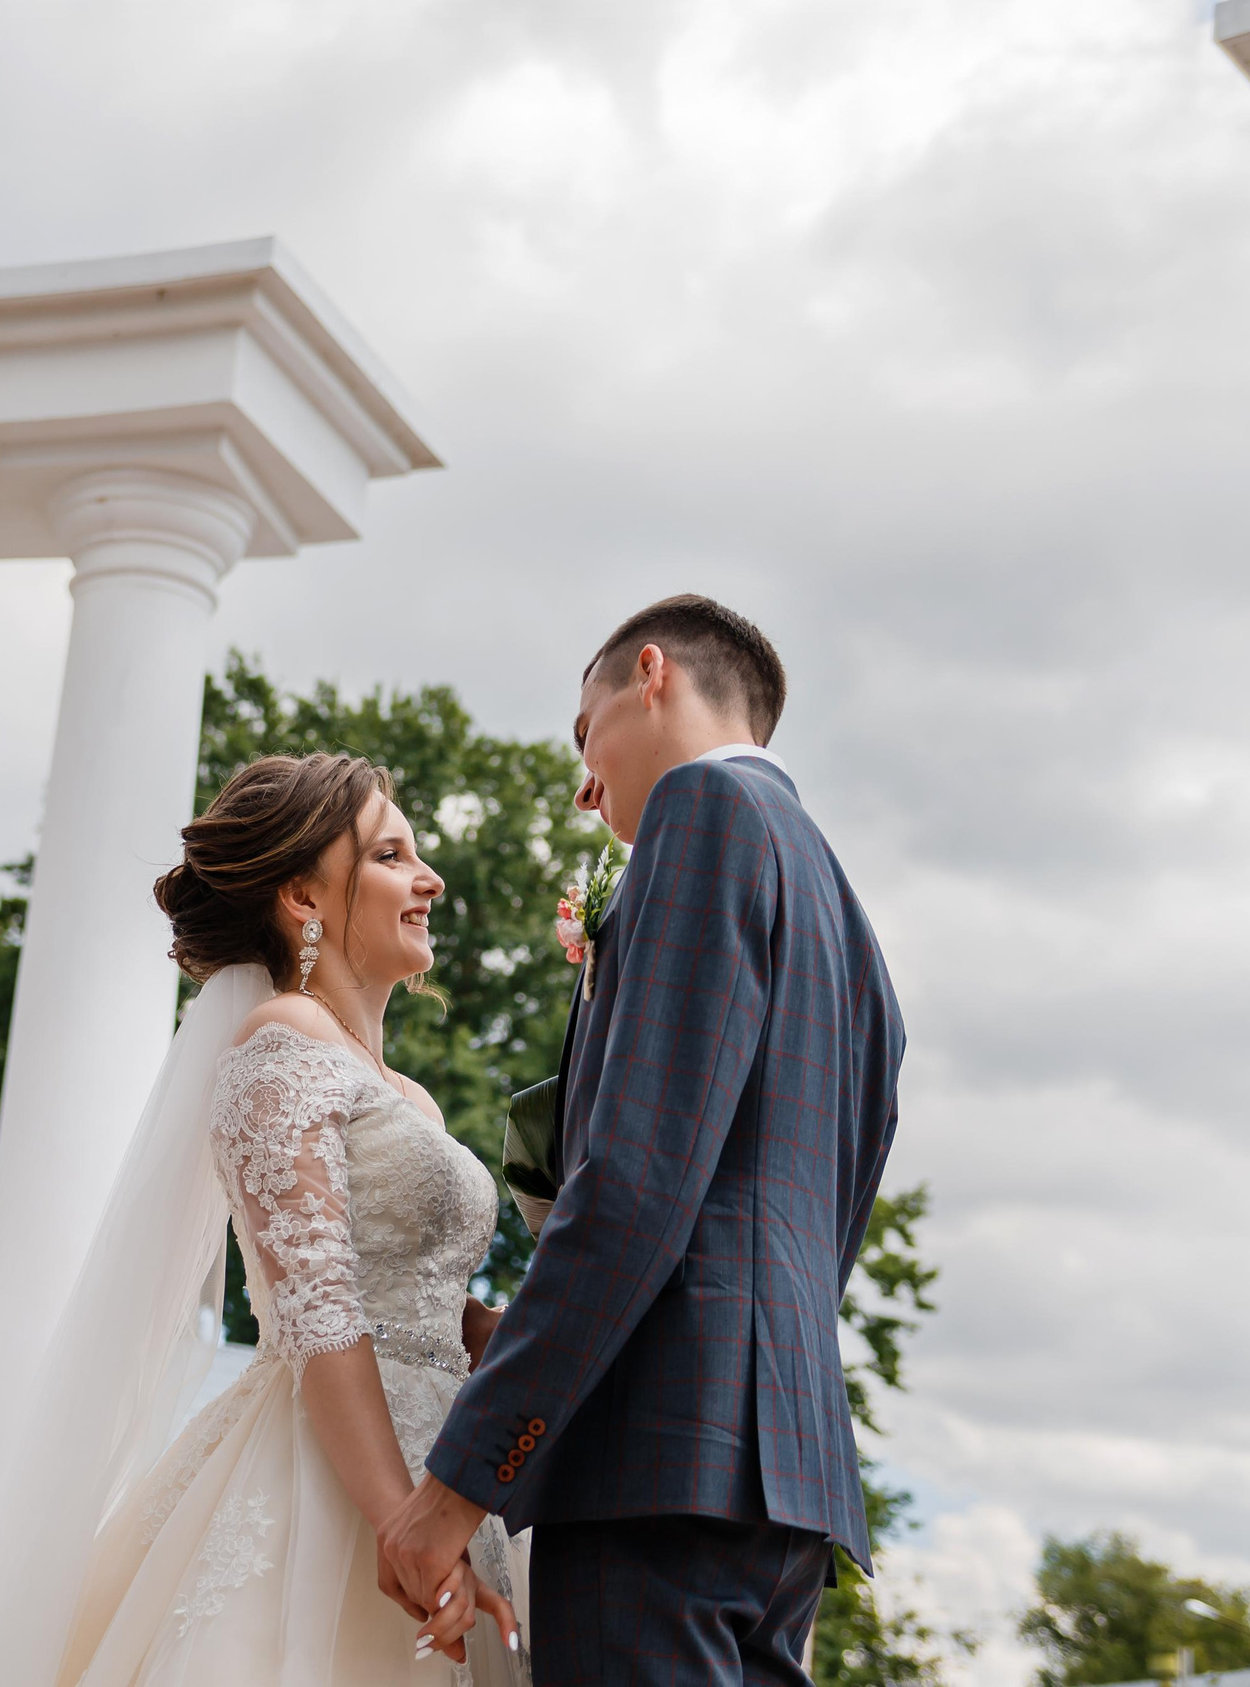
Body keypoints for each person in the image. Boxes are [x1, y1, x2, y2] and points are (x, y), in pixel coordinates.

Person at [376, 594, 906, 1686]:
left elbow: (634, 1187)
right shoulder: (845, 915)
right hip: (782, 1476)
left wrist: (459, 1482)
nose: (583, 783)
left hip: (652, 1464)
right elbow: (806, 1224)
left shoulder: (700, 818)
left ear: (650, 674)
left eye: (584, 733)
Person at [0, 751, 528, 1687]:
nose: (429, 877)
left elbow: (425, 1298)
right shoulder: (279, 1045)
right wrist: (399, 1523)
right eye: (392, 854)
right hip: (337, 1487)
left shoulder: (407, 1096)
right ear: (303, 895)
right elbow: (321, 1314)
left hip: (449, 1476)